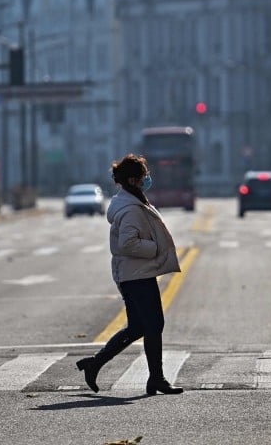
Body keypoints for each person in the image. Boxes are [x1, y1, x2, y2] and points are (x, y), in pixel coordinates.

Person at [75, 153, 183, 395]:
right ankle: (156, 378)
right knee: (154, 324)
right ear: (133, 180)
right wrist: (154, 249)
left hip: (134, 274)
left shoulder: (132, 201)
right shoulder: (131, 208)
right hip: (136, 275)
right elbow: (128, 244)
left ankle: (94, 364)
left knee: (138, 327)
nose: (147, 179)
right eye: (144, 176)